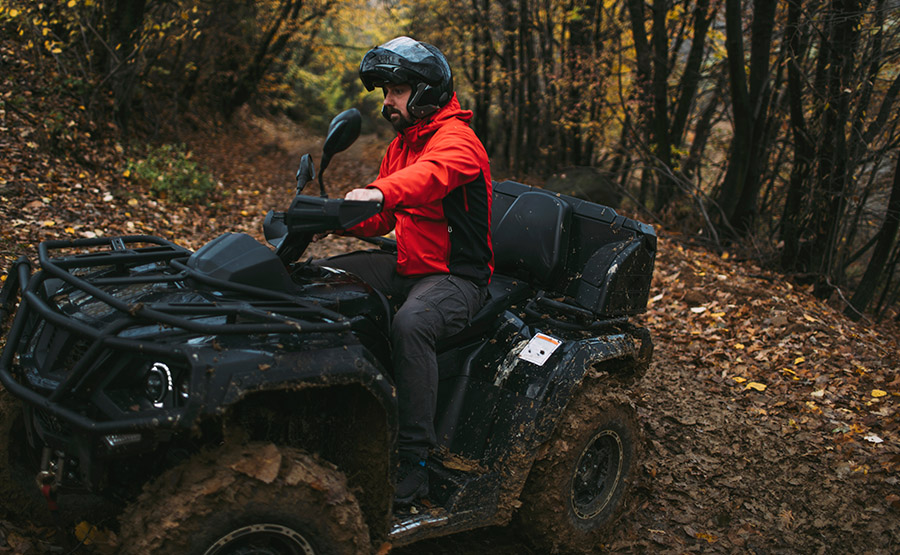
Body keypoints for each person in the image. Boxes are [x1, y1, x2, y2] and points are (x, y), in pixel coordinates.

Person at [319, 36, 493, 505]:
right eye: (384, 93)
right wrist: (332, 216)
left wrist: (380, 192)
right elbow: (383, 218)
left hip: (456, 278)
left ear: (426, 91)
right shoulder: (402, 146)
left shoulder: (459, 142)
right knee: (321, 283)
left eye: (395, 91)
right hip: (408, 263)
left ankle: (415, 462)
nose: (387, 103)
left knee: (412, 324)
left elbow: (429, 176)